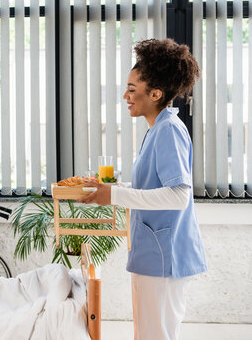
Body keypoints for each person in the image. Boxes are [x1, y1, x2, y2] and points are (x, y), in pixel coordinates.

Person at [79, 38, 207, 340]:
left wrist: (114, 195)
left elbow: (178, 196)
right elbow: (152, 187)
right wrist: (112, 189)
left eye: (132, 89)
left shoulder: (168, 130)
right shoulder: (157, 129)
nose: (125, 95)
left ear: (156, 93)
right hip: (153, 255)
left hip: (164, 258)